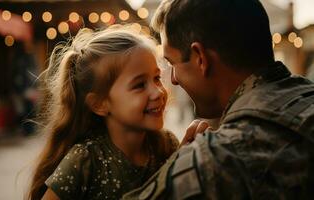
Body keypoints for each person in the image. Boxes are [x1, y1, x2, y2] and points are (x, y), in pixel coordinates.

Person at [122, 0, 314, 199]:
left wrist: (179, 163)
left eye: (172, 63)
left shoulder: (220, 158)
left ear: (200, 58)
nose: (173, 80)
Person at [28, 26, 181, 200]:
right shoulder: (85, 160)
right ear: (99, 104)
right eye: (139, 85)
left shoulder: (166, 146)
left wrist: (187, 157)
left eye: (157, 78)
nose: (158, 92)